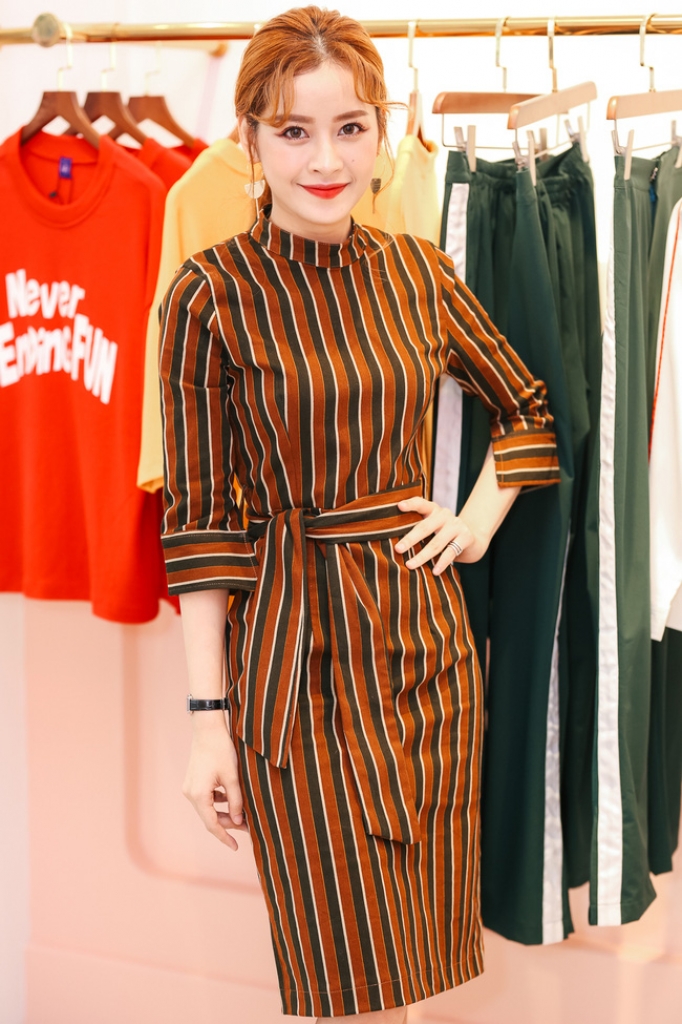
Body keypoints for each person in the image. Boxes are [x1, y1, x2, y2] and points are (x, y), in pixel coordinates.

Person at [158, 7, 560, 1022]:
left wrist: (474, 521)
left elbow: (529, 411)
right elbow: (201, 526)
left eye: (350, 127)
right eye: (294, 131)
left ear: (383, 129)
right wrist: (207, 724)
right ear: (249, 139)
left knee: (416, 970)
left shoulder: (416, 273)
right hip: (295, 668)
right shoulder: (209, 295)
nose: (326, 159)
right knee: (341, 974)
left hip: (427, 658)